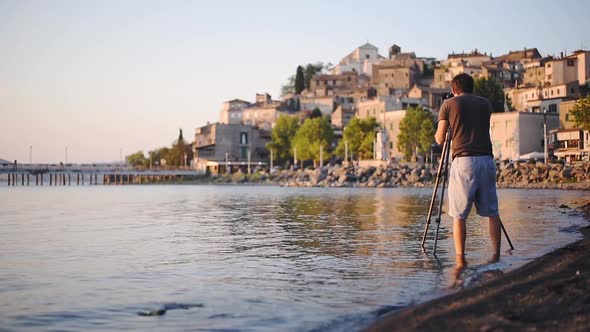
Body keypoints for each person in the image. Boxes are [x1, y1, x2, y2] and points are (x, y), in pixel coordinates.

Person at [435, 73, 503, 265]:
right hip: (486, 160)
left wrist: (447, 120)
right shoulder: (485, 104)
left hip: (463, 161)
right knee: (492, 211)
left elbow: (440, 139)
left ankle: (460, 259)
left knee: (458, 214)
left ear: (453, 89)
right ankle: (496, 255)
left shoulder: (448, 105)